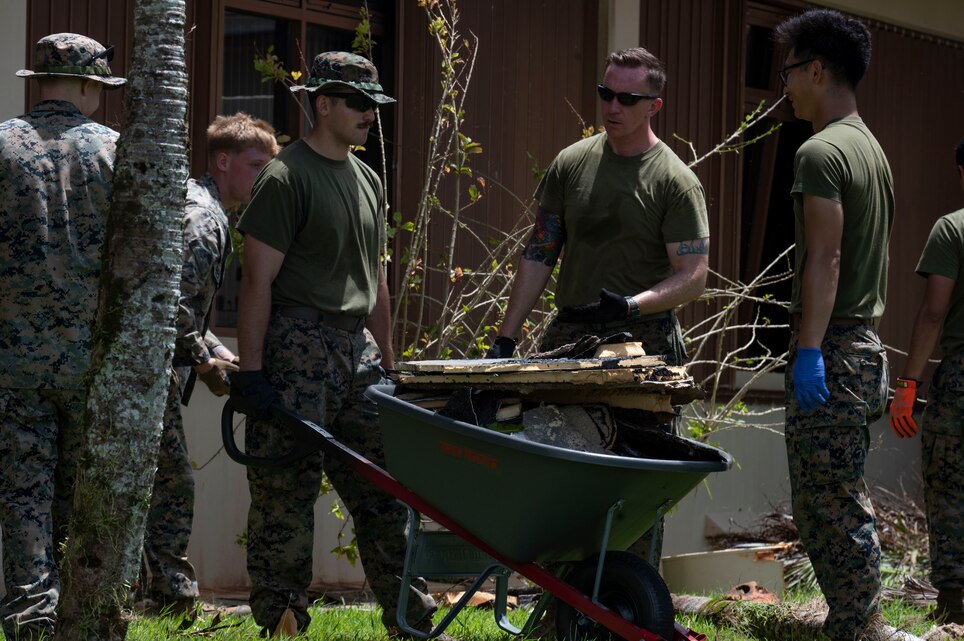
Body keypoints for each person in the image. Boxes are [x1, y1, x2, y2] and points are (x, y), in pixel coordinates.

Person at [229, 52, 439, 637]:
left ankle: (410, 619)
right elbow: (257, 281)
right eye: (359, 103)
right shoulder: (286, 176)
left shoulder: (368, 178)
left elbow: (375, 282)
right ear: (323, 104)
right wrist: (250, 372)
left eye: (375, 104)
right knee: (286, 490)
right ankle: (283, 619)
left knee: (386, 491)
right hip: (297, 347)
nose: (372, 115)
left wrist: (390, 367)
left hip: (358, 355)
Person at [489, 46, 709, 563]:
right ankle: (559, 609)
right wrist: (507, 335)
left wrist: (632, 306)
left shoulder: (675, 181)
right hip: (572, 333)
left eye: (627, 98)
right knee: (554, 469)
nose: (613, 106)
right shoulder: (572, 163)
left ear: (654, 105)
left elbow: (693, 276)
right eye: (605, 93)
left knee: (634, 477)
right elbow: (540, 252)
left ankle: (625, 605)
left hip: (642, 343)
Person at [0, 33, 125, 640]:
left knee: (22, 491)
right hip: (90, 356)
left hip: (12, 355)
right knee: (82, 490)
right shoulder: (114, 152)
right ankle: (86, 614)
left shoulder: (1, 143)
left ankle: (29, 617)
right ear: (89, 85)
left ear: (40, 79)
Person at [774, 9, 894, 640]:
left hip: (837, 345)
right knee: (838, 495)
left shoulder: (820, 152)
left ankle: (857, 626)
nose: (785, 85)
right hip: (864, 346)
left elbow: (827, 257)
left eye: (790, 70)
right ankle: (859, 619)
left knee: (827, 503)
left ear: (817, 69)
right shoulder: (870, 148)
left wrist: (810, 351)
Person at [140, 113, 279, 612]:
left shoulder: (203, 206)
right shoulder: (204, 218)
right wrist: (204, 364)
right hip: (143, 376)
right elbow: (169, 302)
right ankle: (172, 602)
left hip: (148, 372)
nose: (264, 176)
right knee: (174, 487)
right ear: (223, 162)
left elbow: (188, 314)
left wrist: (221, 353)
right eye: (255, 165)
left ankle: (151, 597)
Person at [888, 139, 964, 625]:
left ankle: (956, 601)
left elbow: (934, 311)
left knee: (951, 486)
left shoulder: (953, 228)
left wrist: (908, 383)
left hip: (960, 378)